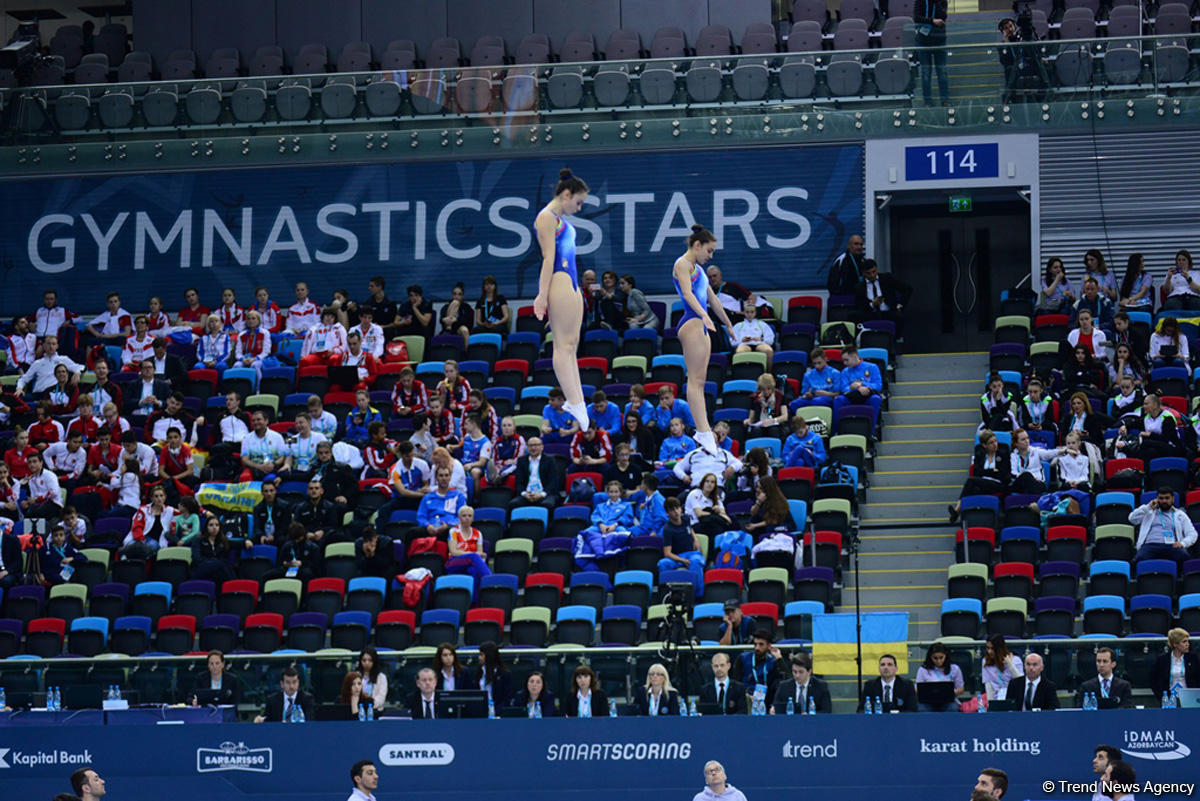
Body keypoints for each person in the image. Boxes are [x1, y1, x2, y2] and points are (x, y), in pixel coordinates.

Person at [531, 169, 591, 428]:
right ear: (566, 194)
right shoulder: (545, 217)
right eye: (577, 202)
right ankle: (575, 401)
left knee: (572, 346)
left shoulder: (559, 220)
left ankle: (576, 400)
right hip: (558, 278)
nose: (579, 208)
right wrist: (541, 296)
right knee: (562, 346)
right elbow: (547, 258)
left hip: (570, 280)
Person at [674, 224, 738, 456]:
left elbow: (713, 300)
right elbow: (688, 294)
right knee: (694, 381)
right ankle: (702, 429)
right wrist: (703, 316)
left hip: (701, 323)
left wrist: (728, 324)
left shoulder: (699, 272)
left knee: (701, 381)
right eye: (709, 251)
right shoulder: (682, 264)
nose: (710, 256)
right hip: (691, 322)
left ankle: (703, 428)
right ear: (697, 245)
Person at [948, 429, 1009, 524]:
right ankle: (975, 520)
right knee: (974, 489)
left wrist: (985, 472)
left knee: (970, 481)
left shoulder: (1003, 451)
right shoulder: (980, 452)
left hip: (998, 484)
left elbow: (1004, 473)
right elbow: (976, 472)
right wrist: (992, 471)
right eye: (991, 443)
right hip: (982, 483)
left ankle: (957, 511)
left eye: (995, 441)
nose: (995, 444)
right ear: (984, 445)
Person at [1129, 486, 1197, 568]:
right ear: (1157, 499)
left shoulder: (1180, 515)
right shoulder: (1149, 512)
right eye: (1161, 498)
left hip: (1172, 545)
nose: (1164, 501)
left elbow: (1192, 534)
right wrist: (1148, 507)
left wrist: (1183, 543)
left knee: (1186, 559)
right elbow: (1132, 519)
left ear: (1172, 499)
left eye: (1167, 498)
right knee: (1139, 559)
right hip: (1150, 545)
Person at [575, 480, 635, 569]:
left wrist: (614, 525)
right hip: (599, 527)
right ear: (607, 492)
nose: (613, 494)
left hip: (617, 527)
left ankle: (620, 561)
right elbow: (595, 515)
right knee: (584, 533)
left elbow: (627, 518)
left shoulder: (626, 505)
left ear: (620, 493)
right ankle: (586, 557)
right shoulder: (600, 506)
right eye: (611, 492)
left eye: (616, 492)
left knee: (624, 534)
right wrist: (600, 524)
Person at [16, 334, 83, 397]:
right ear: (44, 346)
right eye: (48, 344)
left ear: (57, 346)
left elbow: (80, 367)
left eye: (53, 344)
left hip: (54, 394)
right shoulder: (37, 363)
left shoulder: (63, 359)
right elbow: (24, 379)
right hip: (38, 395)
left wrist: (77, 373)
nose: (51, 346)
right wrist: (19, 388)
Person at [658, 495, 705, 579]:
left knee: (696, 561)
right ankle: (666, 591)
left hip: (692, 554)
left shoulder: (686, 518)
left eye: (677, 508)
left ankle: (698, 592)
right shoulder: (667, 529)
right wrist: (682, 560)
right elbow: (667, 553)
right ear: (667, 513)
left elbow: (690, 529)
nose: (676, 512)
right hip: (677, 557)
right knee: (662, 563)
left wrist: (695, 539)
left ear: (681, 508)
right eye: (672, 510)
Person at [446, 505, 491, 588]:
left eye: (470, 516)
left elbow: (480, 552)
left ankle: (474, 599)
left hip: (471, 562)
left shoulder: (478, 533)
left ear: (473, 518)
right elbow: (454, 552)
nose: (467, 518)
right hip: (454, 562)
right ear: (459, 518)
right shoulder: (454, 531)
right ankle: (490, 580)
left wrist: (476, 554)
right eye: (464, 516)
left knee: (474, 570)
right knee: (474, 557)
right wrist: (472, 554)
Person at [914, 0, 950, 105]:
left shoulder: (942, 1)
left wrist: (936, 3)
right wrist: (932, 21)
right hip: (923, 41)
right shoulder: (919, 1)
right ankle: (928, 101)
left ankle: (945, 99)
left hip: (939, 40)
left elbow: (943, 16)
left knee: (942, 71)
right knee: (925, 72)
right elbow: (916, 18)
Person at [512, 436, 561, 510]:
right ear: (527, 448)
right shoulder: (521, 461)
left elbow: (553, 482)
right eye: (530, 445)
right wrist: (525, 494)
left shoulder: (550, 460)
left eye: (536, 445)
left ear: (542, 447)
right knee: (514, 504)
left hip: (545, 494)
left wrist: (541, 494)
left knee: (548, 504)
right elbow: (518, 482)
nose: (533, 448)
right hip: (527, 494)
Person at [1151, 627, 1199, 702]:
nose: (1187, 644)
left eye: (1188, 641)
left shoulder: (1193, 658)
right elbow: (1154, 681)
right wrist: (1162, 697)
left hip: (1190, 699)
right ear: (1175, 644)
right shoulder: (1162, 660)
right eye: (1184, 642)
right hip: (1169, 699)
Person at [915, 642, 965, 712]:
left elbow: (961, 689)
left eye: (941, 658)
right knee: (922, 709)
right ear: (930, 657)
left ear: (946, 656)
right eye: (935, 658)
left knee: (952, 708)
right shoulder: (923, 669)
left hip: (948, 702)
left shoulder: (955, 669)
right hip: (927, 702)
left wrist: (950, 693)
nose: (938, 661)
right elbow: (917, 689)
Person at [190, 513, 235, 583]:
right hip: (200, 569)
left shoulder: (222, 541)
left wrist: (246, 542)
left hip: (215, 569)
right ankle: (234, 584)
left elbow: (236, 544)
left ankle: (231, 589)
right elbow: (197, 559)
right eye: (211, 525)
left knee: (222, 569)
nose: (214, 527)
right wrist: (213, 561)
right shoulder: (198, 540)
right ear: (206, 527)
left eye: (217, 525)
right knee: (221, 564)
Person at [731, 299, 775, 366]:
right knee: (739, 352)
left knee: (769, 351)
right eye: (747, 312)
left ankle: (768, 374)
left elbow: (770, 339)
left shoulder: (762, 324)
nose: (749, 314)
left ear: (755, 313)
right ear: (744, 313)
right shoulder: (738, 325)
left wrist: (761, 339)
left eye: (752, 312)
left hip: (760, 344)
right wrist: (741, 340)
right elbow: (732, 342)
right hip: (744, 344)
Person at [981, 633, 1023, 700]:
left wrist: (1010, 665)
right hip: (996, 699)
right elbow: (988, 685)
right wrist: (991, 705)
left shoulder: (1016, 660)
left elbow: (1021, 682)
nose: (989, 651)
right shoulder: (985, 661)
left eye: (992, 648)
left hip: (1012, 698)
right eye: (988, 648)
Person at [740, 629, 783, 694]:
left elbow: (786, 681)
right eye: (755, 644)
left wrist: (779, 659)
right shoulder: (743, 658)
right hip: (746, 697)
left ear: (768, 646)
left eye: (761, 644)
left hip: (766, 699)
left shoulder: (773, 662)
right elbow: (736, 683)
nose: (757, 648)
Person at [472, 640, 513, 707]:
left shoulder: (504, 674)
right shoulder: (478, 672)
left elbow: (507, 699)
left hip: (498, 712)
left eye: (481, 655)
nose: (479, 658)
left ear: (489, 656)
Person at [746, 374, 788, 439]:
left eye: (768, 389)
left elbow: (785, 416)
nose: (766, 392)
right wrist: (748, 421)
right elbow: (752, 418)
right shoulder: (755, 398)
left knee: (773, 430)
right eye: (763, 389)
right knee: (757, 430)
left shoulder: (780, 396)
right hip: (760, 424)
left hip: (775, 424)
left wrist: (773, 420)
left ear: (772, 387)